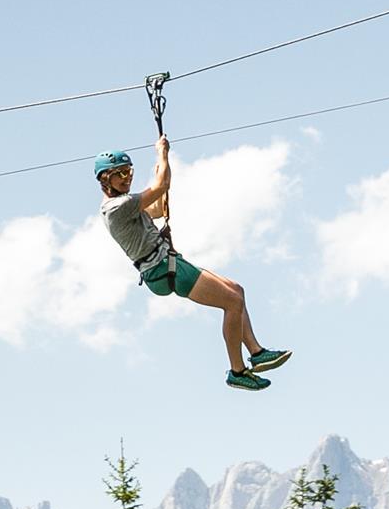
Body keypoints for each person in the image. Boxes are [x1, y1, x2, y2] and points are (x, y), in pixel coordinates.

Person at [97, 119, 289, 390]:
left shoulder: (124, 205)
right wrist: (162, 154)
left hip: (168, 263)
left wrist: (160, 176)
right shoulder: (117, 207)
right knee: (232, 302)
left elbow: (157, 209)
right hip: (163, 269)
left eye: (129, 172)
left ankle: (256, 352)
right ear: (106, 179)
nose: (127, 178)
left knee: (237, 290)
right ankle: (237, 371)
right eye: (120, 174)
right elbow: (160, 187)